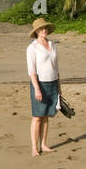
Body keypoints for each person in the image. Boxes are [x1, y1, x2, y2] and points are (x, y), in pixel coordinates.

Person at [26, 17, 60, 156]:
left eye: (45, 28)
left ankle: (44, 144)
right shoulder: (32, 48)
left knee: (46, 116)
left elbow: (56, 68)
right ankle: (34, 147)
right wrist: (37, 89)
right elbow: (31, 71)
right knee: (37, 116)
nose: (44, 30)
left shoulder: (52, 45)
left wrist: (59, 87)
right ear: (36, 31)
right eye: (41, 29)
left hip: (53, 82)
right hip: (39, 83)